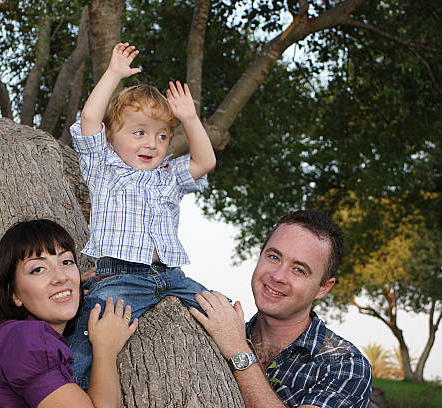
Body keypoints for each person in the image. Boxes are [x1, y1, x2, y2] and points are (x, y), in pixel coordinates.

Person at [68, 42, 217, 389]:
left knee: (217, 308)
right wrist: (113, 73)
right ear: (111, 136)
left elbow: (205, 162)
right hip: (119, 276)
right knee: (90, 331)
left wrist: (190, 119)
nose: (152, 143)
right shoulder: (103, 166)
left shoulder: (168, 174)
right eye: (139, 133)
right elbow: (90, 118)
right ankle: (69, 390)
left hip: (170, 275)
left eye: (162, 136)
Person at [190, 210, 372, 408]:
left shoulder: (345, 365)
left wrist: (237, 350)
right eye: (274, 257)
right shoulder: (213, 334)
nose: (278, 276)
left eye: (299, 270)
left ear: (323, 288)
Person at [0, 219, 138, 408]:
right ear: (14, 294)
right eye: (38, 269)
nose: (61, 276)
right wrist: (105, 349)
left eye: (67, 262)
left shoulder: (7, 336)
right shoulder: (26, 339)